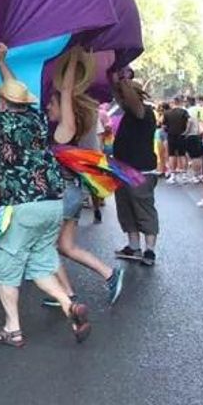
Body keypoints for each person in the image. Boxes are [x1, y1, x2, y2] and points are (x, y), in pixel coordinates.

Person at [0, 44, 89, 347]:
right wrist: (0, 62)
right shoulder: (37, 119)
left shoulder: (1, 121)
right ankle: (68, 304)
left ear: (2, 103)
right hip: (52, 203)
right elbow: (14, 91)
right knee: (40, 263)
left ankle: (12, 328)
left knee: (6, 264)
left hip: (24, 205)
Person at [45, 50, 125, 307]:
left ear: (63, 107)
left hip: (66, 194)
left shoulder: (64, 131)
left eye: (52, 103)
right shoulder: (66, 132)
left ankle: (66, 294)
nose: (48, 107)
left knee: (45, 246)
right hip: (73, 192)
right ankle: (109, 274)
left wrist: (73, 57)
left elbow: (67, 90)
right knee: (65, 246)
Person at [111, 71, 161, 266]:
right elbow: (118, 96)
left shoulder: (143, 112)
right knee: (126, 209)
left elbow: (130, 98)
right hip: (123, 169)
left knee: (143, 210)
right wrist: (114, 79)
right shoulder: (130, 113)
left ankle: (149, 251)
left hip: (140, 172)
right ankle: (133, 247)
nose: (121, 98)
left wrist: (124, 81)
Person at [162, 99, 190, 182]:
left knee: (171, 155)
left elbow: (164, 126)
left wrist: (167, 131)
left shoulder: (167, 113)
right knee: (182, 154)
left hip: (171, 135)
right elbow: (189, 121)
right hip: (182, 135)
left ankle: (173, 175)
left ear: (172, 103)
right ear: (179, 103)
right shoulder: (184, 112)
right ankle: (184, 175)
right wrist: (186, 131)